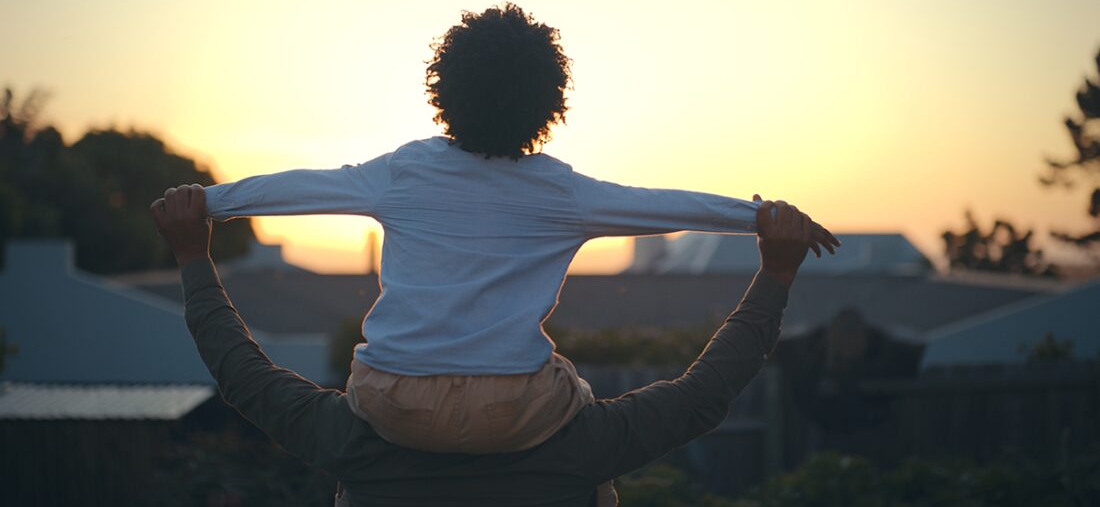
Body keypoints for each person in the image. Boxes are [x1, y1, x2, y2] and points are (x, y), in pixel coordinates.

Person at [195, 5, 839, 504]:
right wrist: (760, 221)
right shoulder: (559, 190)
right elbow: (664, 205)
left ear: (445, 90)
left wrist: (209, 207)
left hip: (392, 401)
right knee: (572, 389)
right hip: (520, 411)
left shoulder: (403, 172)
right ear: (545, 103)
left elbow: (301, 190)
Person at [152, 184, 812, 506]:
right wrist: (775, 274)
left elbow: (243, 376)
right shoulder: (579, 448)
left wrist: (192, 256)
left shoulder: (357, 443)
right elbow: (702, 396)